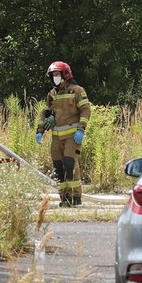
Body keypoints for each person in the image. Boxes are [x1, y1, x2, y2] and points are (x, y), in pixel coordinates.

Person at [41, 59, 91, 207]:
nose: (55, 77)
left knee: (70, 164)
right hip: (56, 138)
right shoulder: (52, 94)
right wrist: (40, 130)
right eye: (53, 75)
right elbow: (44, 113)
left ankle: (75, 197)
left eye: (57, 74)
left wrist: (81, 129)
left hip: (72, 137)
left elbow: (86, 110)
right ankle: (64, 198)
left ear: (65, 74)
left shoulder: (77, 91)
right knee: (58, 168)